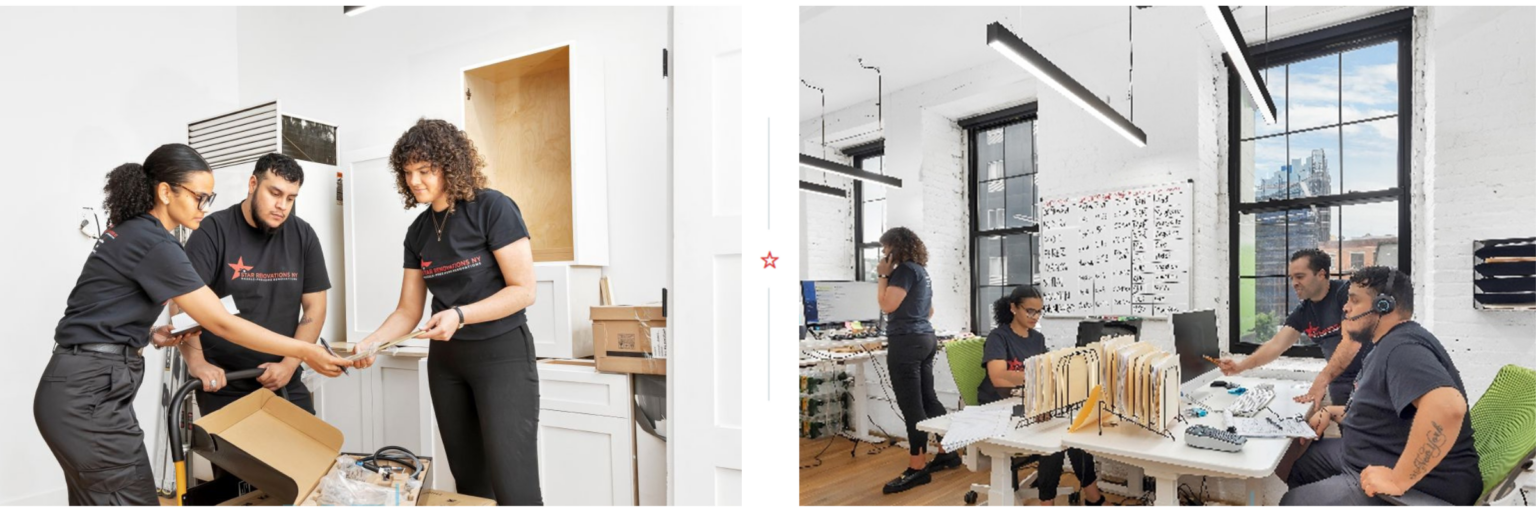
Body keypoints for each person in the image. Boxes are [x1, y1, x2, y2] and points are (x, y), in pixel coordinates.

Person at [33, 144, 351, 508]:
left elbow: (100, 310)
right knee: (135, 504)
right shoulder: (155, 242)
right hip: (87, 393)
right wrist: (307, 351)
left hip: (82, 386)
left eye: (208, 197)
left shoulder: (135, 233)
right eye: (199, 197)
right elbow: (218, 320)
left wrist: (149, 334)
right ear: (165, 192)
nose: (204, 206)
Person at [352, 119, 541, 508]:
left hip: (501, 356)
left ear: (450, 165)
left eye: (425, 170)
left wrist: (460, 314)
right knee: (470, 484)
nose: (415, 181)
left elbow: (524, 291)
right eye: (408, 173)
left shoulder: (492, 208)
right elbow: (408, 310)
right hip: (447, 365)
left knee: (513, 484)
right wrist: (370, 343)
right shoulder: (418, 232)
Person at [1279, 267, 1481, 511]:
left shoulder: (1402, 348)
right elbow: (1382, 410)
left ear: (1384, 306)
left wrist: (1398, 479)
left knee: (1294, 504)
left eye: (1354, 300)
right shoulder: (1385, 344)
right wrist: (1331, 411)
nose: (1345, 308)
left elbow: (1447, 407)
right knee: (1299, 461)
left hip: (1425, 484)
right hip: (1370, 454)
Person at [179, 153, 330, 416]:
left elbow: (314, 308)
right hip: (225, 381)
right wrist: (198, 363)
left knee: (309, 453)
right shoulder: (213, 231)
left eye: (291, 198)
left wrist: (289, 365)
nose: (282, 205)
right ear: (252, 184)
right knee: (237, 458)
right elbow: (183, 304)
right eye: (275, 193)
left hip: (283, 376)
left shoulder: (303, 235)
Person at [980, 285, 1104, 510]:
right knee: (1053, 442)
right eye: (1029, 311)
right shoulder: (999, 337)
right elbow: (998, 377)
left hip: (1027, 403)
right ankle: (1047, 504)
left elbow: (1045, 375)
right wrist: (1038, 377)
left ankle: (1093, 496)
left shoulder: (1037, 338)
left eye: (1039, 312)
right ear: (1013, 308)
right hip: (998, 408)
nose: (1034, 317)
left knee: (1072, 431)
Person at [1217, 249, 1373, 406]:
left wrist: (1321, 379)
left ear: (1321, 274)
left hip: (1370, 379)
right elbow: (1276, 345)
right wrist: (1239, 366)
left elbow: (1351, 342)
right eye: (1292, 278)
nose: (1294, 283)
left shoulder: (1346, 294)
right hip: (1338, 381)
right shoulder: (1303, 311)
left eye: (1300, 277)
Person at [875, 227, 958, 494]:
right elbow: (929, 310)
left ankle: (917, 467)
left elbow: (887, 305)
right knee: (928, 399)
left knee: (912, 407)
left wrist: (882, 277)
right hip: (925, 339)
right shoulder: (921, 272)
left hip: (906, 342)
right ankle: (947, 452)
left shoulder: (902, 271)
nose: (884, 254)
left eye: (886, 249)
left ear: (894, 248)